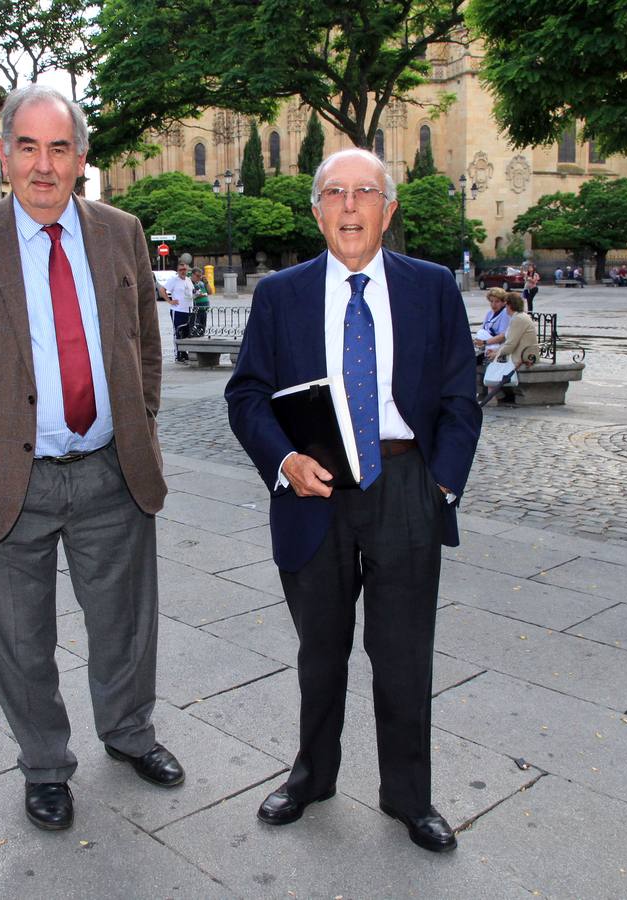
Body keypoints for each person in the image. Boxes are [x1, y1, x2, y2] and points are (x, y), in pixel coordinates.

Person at [0, 84, 183, 834]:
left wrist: (140, 425)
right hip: (5, 481)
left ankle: (128, 734)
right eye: (26, 146)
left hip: (109, 470)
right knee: (20, 639)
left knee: (124, 625)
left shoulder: (121, 231)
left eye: (58, 147)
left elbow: (143, 345)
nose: (42, 164)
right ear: (2, 156)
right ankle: (45, 766)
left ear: (80, 159)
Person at [226, 148, 482, 853]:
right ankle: (310, 778)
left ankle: (409, 798)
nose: (347, 206)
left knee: (404, 656)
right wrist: (283, 460)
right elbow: (246, 394)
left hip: (406, 486)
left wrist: (440, 483)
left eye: (363, 192)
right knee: (320, 652)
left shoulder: (431, 287)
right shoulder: (282, 294)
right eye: (332, 192)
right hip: (315, 491)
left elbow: (462, 395)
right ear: (315, 210)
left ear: (387, 209)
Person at [480, 292, 539, 407]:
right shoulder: (517, 317)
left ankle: (494, 396)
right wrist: (496, 352)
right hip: (520, 351)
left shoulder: (518, 319)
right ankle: (496, 394)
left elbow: (511, 344)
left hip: (524, 355)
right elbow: (510, 342)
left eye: (506, 305)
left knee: (489, 360)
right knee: (487, 356)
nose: (505, 308)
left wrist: (496, 354)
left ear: (510, 305)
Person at [163, 261, 193, 361]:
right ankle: (178, 354)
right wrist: (169, 301)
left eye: (184, 269)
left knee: (186, 332)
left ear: (187, 270)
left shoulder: (188, 280)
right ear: (178, 271)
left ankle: (185, 352)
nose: (183, 271)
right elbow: (162, 290)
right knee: (178, 331)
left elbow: (190, 293)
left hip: (188, 310)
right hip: (178, 310)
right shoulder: (174, 280)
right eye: (181, 270)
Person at [474, 287, 511, 365]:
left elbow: (502, 336)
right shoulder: (489, 313)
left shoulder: (505, 313)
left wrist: (484, 342)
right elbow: (484, 329)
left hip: (496, 346)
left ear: (504, 302)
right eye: (491, 301)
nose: (493, 304)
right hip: (484, 346)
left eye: (497, 302)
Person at [189, 266, 210, 336]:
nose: (199, 278)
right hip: (196, 309)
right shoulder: (190, 283)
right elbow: (195, 295)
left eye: (200, 276)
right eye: (197, 276)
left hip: (204, 309)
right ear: (192, 275)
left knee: (202, 329)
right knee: (196, 329)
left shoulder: (201, 283)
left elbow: (210, 292)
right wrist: (203, 294)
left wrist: (206, 282)